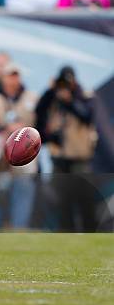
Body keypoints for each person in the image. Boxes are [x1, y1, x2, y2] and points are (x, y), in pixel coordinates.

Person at [35, 66, 97, 231]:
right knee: (62, 201)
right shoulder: (52, 98)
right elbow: (38, 115)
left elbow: (87, 115)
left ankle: (91, 234)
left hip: (80, 157)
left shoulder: (83, 94)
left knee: (85, 199)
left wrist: (69, 101)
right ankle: (66, 236)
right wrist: (50, 91)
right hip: (59, 158)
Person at [0, 63, 38, 229]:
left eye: (16, 75)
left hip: (24, 148)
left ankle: (19, 227)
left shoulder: (32, 98)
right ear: (3, 78)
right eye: (10, 75)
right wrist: (5, 128)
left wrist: (23, 132)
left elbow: (41, 126)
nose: (13, 79)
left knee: (25, 181)